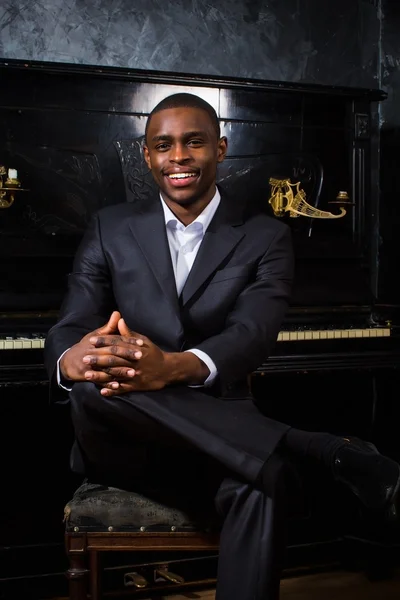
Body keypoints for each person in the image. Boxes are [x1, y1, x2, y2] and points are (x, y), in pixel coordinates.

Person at [44, 92, 400, 600]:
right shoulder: (110, 226)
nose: (179, 157)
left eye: (194, 142)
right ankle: (316, 448)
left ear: (221, 148)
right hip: (125, 441)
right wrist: (71, 357)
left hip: (227, 439)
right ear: (147, 156)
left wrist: (170, 367)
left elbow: (250, 336)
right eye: (163, 145)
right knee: (90, 387)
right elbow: (72, 322)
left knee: (263, 480)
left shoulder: (265, 236)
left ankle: (284, 456)